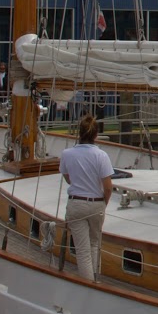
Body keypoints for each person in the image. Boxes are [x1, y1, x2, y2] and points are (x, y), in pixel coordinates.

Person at [59, 114, 114, 282]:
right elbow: (108, 186)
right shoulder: (101, 156)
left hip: (76, 203)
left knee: (82, 250)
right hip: (96, 203)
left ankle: (89, 285)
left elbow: (68, 178)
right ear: (96, 135)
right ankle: (95, 279)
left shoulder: (67, 154)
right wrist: (104, 203)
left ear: (79, 133)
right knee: (94, 244)